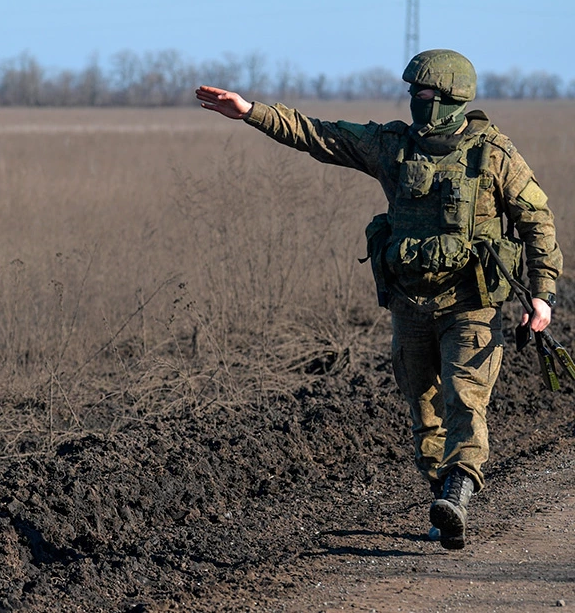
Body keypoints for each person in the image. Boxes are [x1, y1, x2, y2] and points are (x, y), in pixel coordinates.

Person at [196, 49, 562, 550]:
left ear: (453, 98)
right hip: (410, 305)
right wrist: (249, 111)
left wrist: (541, 296)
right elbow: (319, 134)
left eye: (427, 94)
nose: (417, 101)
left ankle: (457, 495)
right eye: (413, 92)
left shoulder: (493, 155)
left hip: (471, 305)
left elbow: (537, 224)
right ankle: (442, 500)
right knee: (425, 410)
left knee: (465, 400)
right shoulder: (393, 147)